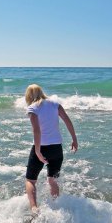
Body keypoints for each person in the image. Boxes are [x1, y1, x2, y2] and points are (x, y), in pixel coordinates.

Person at [25, 84, 78, 213]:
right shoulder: (55, 104)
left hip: (41, 148)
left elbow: (37, 131)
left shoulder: (33, 108)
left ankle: (34, 209)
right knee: (52, 180)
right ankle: (56, 208)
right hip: (56, 148)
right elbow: (67, 120)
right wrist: (74, 139)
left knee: (31, 180)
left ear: (29, 95)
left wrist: (37, 151)